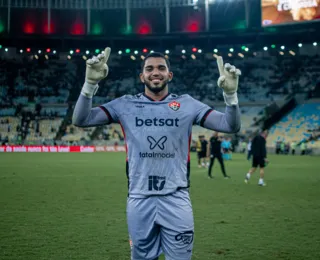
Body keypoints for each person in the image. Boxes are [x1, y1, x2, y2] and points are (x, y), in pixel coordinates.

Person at [72, 47, 241, 260]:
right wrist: (89, 85)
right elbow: (80, 119)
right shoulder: (125, 104)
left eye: (161, 68)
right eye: (149, 68)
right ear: (141, 76)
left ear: (169, 75)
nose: (155, 72)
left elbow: (229, 125)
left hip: (176, 198)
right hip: (139, 198)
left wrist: (231, 96)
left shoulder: (188, 104)